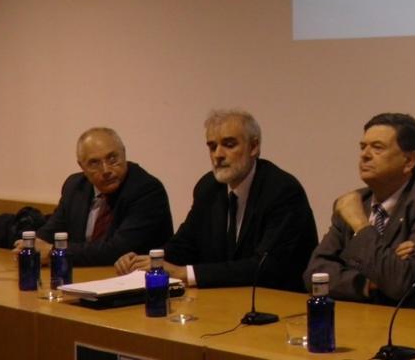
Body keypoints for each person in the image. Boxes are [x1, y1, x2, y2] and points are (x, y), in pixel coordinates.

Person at [115, 110, 317, 291]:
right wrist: (150, 260)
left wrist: (186, 273)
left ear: (254, 147)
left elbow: (266, 267)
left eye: (229, 145)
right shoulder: (208, 187)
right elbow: (186, 244)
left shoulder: (282, 191)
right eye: (212, 147)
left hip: (278, 302)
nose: (218, 155)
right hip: (224, 300)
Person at [303, 113, 415, 313]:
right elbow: (314, 275)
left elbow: (400, 283)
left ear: (409, 160)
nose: (364, 155)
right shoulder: (355, 202)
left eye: (377, 147)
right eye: (363, 147)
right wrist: (369, 283)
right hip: (363, 319)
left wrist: (361, 226)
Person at [19, 127, 173, 266]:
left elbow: (115, 250)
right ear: (82, 166)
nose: (106, 170)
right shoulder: (75, 186)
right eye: (94, 163)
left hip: (131, 282)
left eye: (113, 158)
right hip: (84, 278)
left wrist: (55, 251)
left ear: (124, 154)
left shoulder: (146, 190)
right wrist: (32, 246)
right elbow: (50, 233)